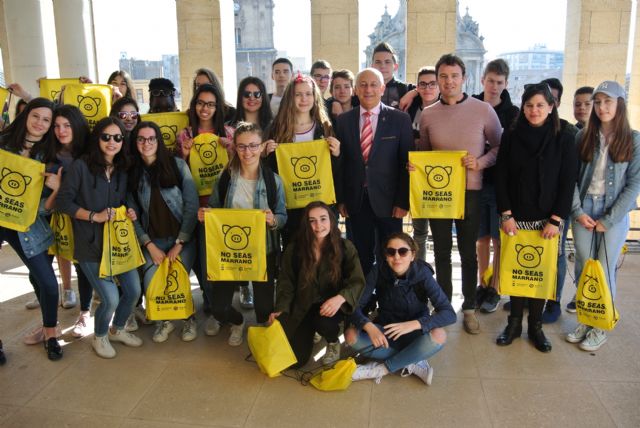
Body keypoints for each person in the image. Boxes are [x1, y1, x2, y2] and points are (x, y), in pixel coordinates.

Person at [418, 54, 502, 334]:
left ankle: (468, 307)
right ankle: (443, 306)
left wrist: (480, 162)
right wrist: (415, 166)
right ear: (438, 79)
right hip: (439, 196)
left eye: (454, 76)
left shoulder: (483, 110)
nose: (449, 81)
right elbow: (424, 153)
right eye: (443, 76)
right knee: (440, 251)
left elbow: (500, 148)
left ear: (464, 78)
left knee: (468, 252)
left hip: (470, 192)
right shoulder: (428, 114)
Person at [495, 83, 578, 353]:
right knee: (517, 269)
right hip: (515, 215)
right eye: (529, 105)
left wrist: (556, 219)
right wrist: (505, 213)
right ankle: (514, 324)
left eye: (541, 105)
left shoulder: (565, 135)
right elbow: (501, 176)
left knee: (540, 272)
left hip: (547, 217)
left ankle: (536, 327)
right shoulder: (512, 133)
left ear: (551, 107)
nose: (534, 110)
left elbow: (568, 181)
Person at [56, 117, 143, 359]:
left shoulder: (122, 168)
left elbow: (122, 200)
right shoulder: (81, 167)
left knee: (134, 291)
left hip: (117, 244)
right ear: (97, 139)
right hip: (89, 245)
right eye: (106, 136)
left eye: (118, 137)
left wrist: (129, 209)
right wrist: (94, 216)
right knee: (110, 298)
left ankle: (118, 329)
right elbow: (64, 202)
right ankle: (101, 335)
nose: (112, 142)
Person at [567, 80, 640, 351]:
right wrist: (577, 211)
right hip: (584, 209)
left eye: (608, 101)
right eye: (597, 102)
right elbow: (571, 179)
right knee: (585, 266)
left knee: (605, 269)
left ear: (619, 104)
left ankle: (601, 326)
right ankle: (587, 319)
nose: (601, 107)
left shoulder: (633, 139)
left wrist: (609, 220)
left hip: (614, 213)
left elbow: (634, 184)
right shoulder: (582, 136)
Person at [198, 122, 286, 346]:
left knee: (264, 310)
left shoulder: (273, 181)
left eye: (253, 146)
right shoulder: (225, 178)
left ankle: (260, 332)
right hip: (229, 253)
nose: (248, 152)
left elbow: (283, 216)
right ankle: (237, 322)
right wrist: (205, 215)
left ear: (262, 145)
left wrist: (273, 220)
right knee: (219, 308)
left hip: (262, 251)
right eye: (242, 146)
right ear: (235, 148)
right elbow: (214, 210)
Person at [0, 98, 63, 360]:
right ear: (25, 115)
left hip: (27, 223)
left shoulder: (49, 157)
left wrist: (56, 190)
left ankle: (50, 333)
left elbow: (46, 209)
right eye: (36, 116)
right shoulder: (3, 144)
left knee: (48, 284)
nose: (40, 123)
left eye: (46, 120)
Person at [347, 232, 455, 385]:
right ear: (386, 256)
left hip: (416, 334)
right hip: (386, 332)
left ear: (412, 255)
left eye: (403, 251)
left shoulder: (422, 273)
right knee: (351, 335)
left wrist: (415, 324)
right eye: (391, 252)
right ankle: (413, 360)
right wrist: (369, 326)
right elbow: (355, 307)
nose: (396, 257)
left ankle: (382, 368)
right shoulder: (378, 271)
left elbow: (449, 313)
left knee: (439, 335)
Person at [336, 68, 412, 277]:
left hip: (389, 202)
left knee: (391, 253)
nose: (368, 89)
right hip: (356, 201)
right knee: (360, 254)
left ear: (382, 88)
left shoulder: (399, 120)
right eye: (362, 84)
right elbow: (341, 164)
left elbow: (406, 163)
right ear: (355, 89)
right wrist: (341, 199)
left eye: (372, 84)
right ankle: (364, 302)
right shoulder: (343, 121)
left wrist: (402, 201)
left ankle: (388, 301)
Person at [269, 201, 365, 366]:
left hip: (331, 306)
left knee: (324, 323)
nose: (318, 225)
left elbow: (357, 281)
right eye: (312, 220)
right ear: (306, 224)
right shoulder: (294, 249)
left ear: (331, 220)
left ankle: (333, 341)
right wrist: (280, 308)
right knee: (295, 362)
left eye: (323, 219)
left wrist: (340, 298)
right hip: (304, 303)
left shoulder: (345, 247)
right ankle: (311, 330)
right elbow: (286, 282)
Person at [128, 122, 199, 343]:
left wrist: (181, 242)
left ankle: (189, 318)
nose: (146, 143)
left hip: (182, 238)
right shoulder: (132, 173)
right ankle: (163, 321)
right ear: (135, 143)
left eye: (151, 138)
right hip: (153, 241)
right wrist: (149, 244)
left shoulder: (177, 165)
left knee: (179, 281)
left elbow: (191, 204)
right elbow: (133, 217)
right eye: (141, 139)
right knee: (152, 283)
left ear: (158, 141)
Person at [174, 82, 229, 331]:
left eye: (210, 104)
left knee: (220, 261)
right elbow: (176, 175)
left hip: (222, 208)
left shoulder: (228, 134)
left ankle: (220, 307)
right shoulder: (184, 135)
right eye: (200, 103)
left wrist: (232, 150)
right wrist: (183, 156)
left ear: (217, 107)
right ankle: (211, 303)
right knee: (202, 262)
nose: (204, 109)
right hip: (194, 206)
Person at [264, 73, 341, 247]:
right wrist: (266, 154)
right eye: (298, 94)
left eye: (308, 94)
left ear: (315, 97)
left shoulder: (326, 126)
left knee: (325, 250)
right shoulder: (277, 128)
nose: (303, 99)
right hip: (290, 206)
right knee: (294, 249)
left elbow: (335, 172)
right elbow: (271, 171)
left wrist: (336, 155)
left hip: (322, 205)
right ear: (290, 98)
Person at [472, 59, 519, 313]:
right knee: (481, 239)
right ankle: (483, 283)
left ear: (506, 83)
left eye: (499, 82)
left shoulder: (513, 113)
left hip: (502, 185)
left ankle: (496, 288)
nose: (494, 86)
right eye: (490, 81)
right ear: (483, 80)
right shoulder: (471, 105)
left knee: (499, 241)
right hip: (476, 183)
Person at [47, 105, 97, 337]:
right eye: (56, 126)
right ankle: (50, 321)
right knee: (52, 261)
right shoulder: (49, 152)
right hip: (56, 217)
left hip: (82, 215)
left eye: (67, 125)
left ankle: (85, 314)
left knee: (83, 265)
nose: (61, 130)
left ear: (76, 125)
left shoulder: (89, 152)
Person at [537, 78, 580, 323]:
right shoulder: (524, 128)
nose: (541, 106)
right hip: (531, 207)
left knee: (557, 254)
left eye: (549, 99)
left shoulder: (568, 132)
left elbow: (570, 178)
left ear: (556, 103)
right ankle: (528, 294)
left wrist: (559, 214)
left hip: (557, 207)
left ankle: (553, 301)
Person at [407, 67, 440, 263]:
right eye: (422, 84)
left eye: (432, 83)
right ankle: (419, 273)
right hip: (415, 178)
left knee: (440, 234)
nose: (427, 88)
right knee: (419, 231)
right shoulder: (409, 107)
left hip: (440, 178)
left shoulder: (448, 107)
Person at [371, 42, 411, 109]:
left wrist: (413, 93)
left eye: (387, 62)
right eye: (378, 62)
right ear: (372, 66)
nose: (382, 66)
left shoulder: (405, 88)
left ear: (395, 66)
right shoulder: (364, 88)